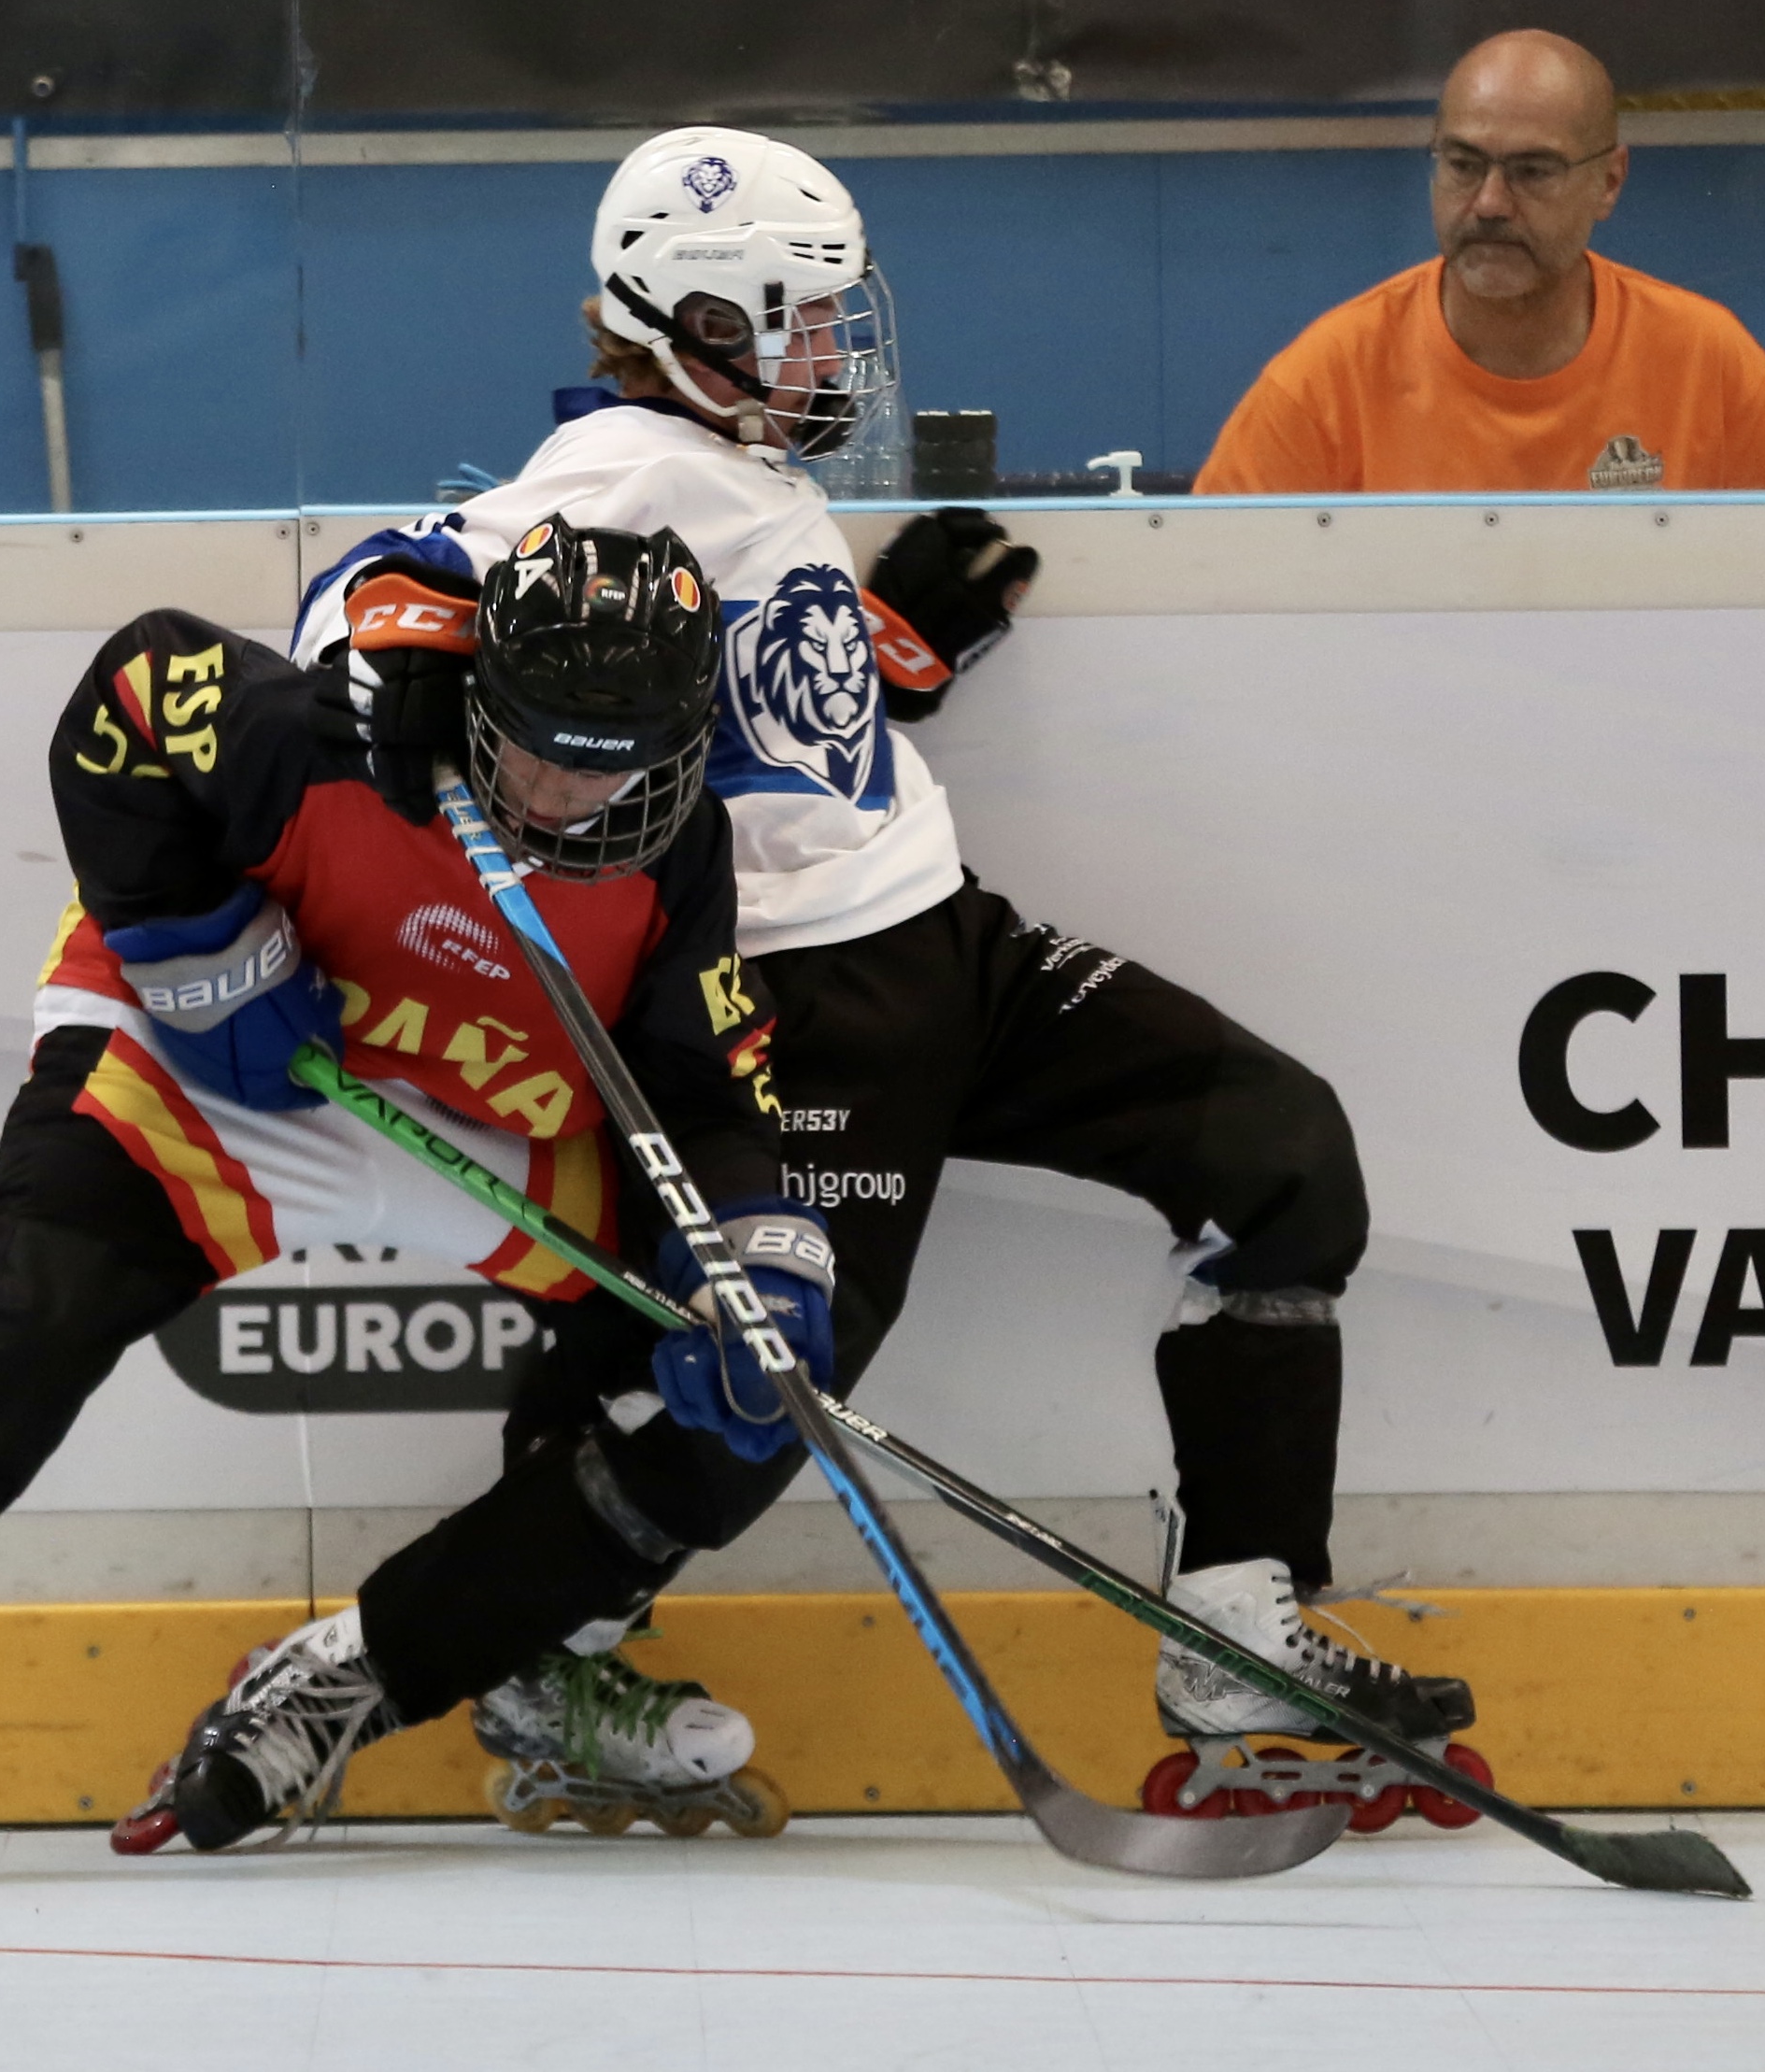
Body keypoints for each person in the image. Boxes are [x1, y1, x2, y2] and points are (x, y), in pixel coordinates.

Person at [268, 126, 1475, 1841]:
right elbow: (373, 587)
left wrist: (875, 663)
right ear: (696, 320)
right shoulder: (614, 470)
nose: (835, 353)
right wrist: (382, 641)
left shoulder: (738, 465)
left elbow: (741, 701)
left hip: (945, 943)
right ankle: (407, 1655)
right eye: (804, 320)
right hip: (792, 1007)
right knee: (761, 1383)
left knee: (1276, 1150)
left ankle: (1233, 1633)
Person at [0, 519, 825, 1890]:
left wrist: (756, 1263)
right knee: (23, 1305)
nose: (551, 796)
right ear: (480, 683)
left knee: (729, 1364)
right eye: (530, 743)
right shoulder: (355, 717)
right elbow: (127, 693)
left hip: (472, 1115)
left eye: (609, 768)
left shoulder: (680, 852)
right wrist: (185, 939)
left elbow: (701, 1097)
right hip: (224, 1061)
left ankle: (541, 1662)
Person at [1196, 30, 1765, 495]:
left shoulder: (1712, 363)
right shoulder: (1324, 382)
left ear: (1610, 182)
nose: (1489, 203)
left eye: (1532, 172)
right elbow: (1206, 600)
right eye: (1463, 164)